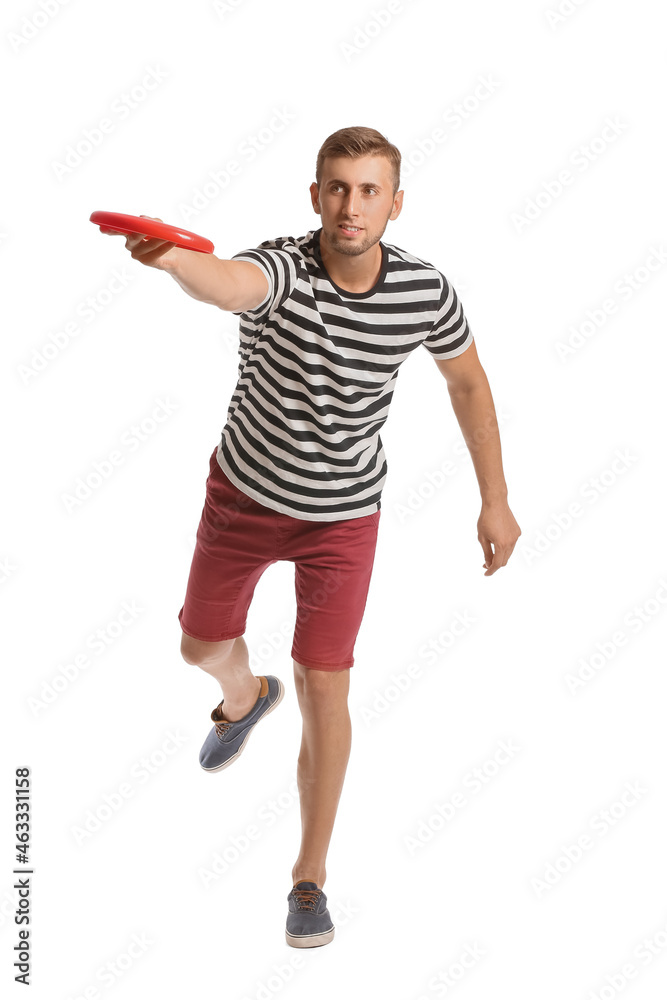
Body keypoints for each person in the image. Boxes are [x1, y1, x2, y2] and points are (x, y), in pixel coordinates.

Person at [101, 125, 521, 948]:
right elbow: (228, 284)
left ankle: (308, 879)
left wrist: (494, 500)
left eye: (368, 190)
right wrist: (174, 259)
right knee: (197, 647)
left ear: (395, 203)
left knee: (328, 686)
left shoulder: (425, 291)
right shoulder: (284, 266)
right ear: (314, 195)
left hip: (345, 518)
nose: (350, 204)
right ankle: (243, 697)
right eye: (336, 187)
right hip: (245, 498)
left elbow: (466, 380)